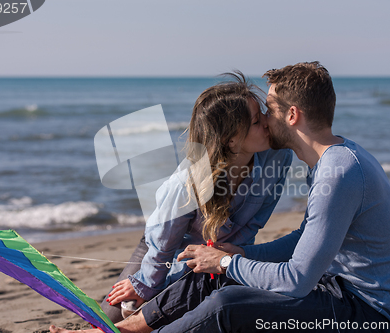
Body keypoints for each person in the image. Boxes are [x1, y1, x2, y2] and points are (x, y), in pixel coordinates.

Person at [50, 61, 390, 333]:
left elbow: (297, 279)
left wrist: (225, 263)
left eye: (270, 109)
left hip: (364, 311)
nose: (266, 118)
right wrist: (238, 256)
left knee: (226, 302)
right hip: (334, 286)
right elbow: (306, 238)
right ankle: (122, 329)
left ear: (293, 115)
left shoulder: (336, 170)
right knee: (219, 276)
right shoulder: (330, 162)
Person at [52, 72, 292, 332]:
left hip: (220, 252)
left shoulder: (278, 158)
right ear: (230, 139)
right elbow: (164, 244)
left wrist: (226, 256)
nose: (268, 124)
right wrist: (146, 284)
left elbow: (254, 223)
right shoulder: (186, 183)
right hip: (163, 248)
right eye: (257, 121)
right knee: (112, 317)